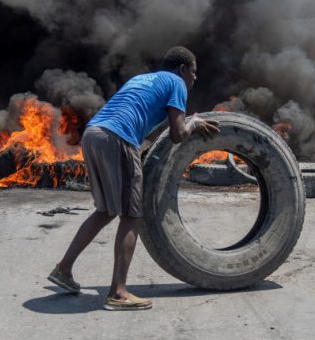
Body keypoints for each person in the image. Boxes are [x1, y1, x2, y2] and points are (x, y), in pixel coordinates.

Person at [48, 46, 219, 311]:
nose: (195, 79)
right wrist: (194, 122)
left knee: (105, 210)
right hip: (117, 138)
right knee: (131, 215)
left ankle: (63, 269)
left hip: (93, 135)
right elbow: (177, 133)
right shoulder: (177, 83)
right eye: (194, 73)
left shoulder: (143, 79)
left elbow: (137, 116)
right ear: (182, 69)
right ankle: (118, 292)